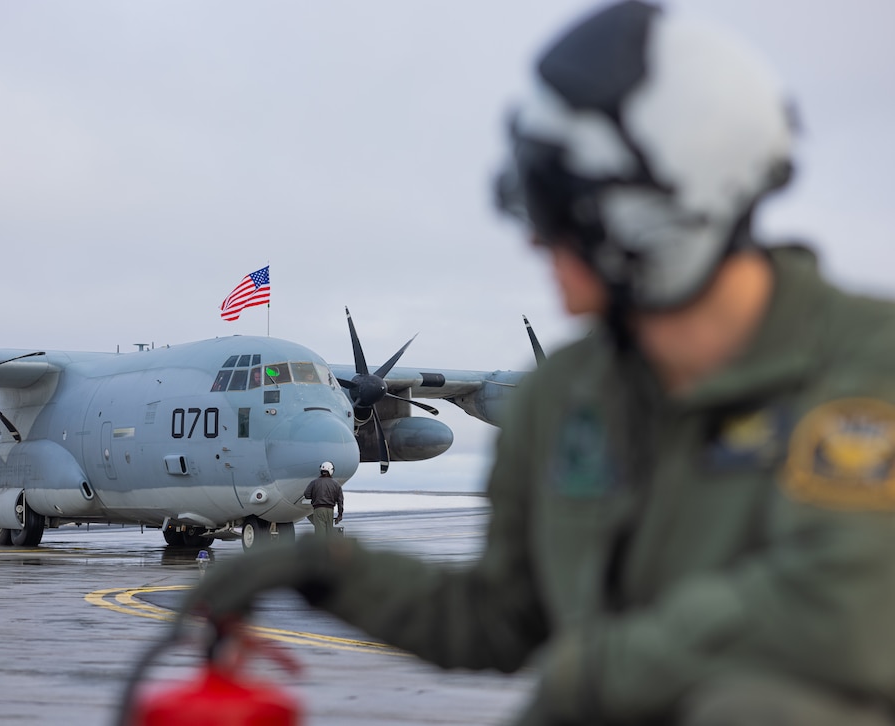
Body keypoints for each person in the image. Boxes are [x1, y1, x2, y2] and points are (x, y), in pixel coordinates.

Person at [184, 2, 895, 723]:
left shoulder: (869, 371)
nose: (536, 244)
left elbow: (840, 618)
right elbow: (500, 615)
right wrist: (331, 571)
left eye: (564, 209)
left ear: (668, 208)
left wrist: (580, 685)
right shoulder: (567, 397)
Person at [303, 461, 344, 537]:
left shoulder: (314, 482)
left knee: (320, 535)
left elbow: (306, 495)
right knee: (329, 534)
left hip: (318, 510)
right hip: (330, 510)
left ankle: (321, 548)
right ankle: (329, 548)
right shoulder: (336, 484)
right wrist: (340, 514)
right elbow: (340, 500)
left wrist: (315, 496)